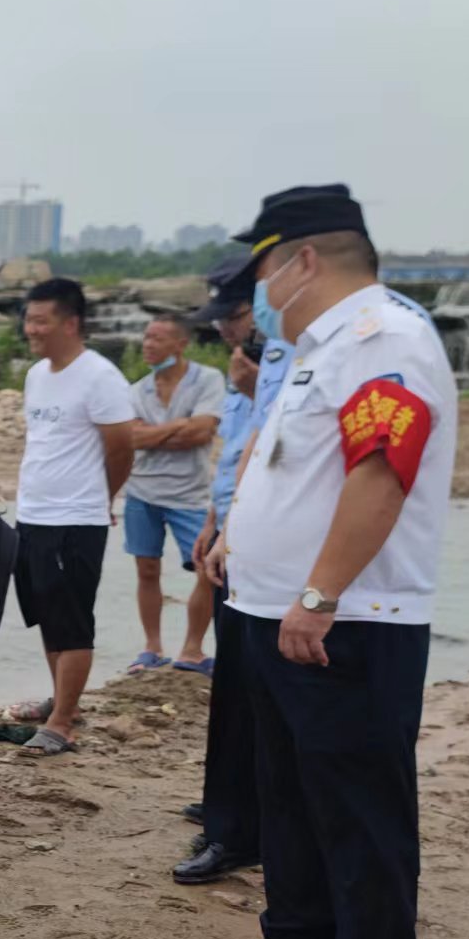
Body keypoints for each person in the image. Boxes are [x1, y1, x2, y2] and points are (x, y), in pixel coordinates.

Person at [181, 184, 458, 939]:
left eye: (263, 269)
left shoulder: (385, 339)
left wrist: (322, 591)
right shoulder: (318, 347)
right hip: (271, 611)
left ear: (302, 260)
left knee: (359, 812)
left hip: (348, 621)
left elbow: (383, 469)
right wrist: (237, 541)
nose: (258, 290)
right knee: (290, 798)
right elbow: (293, 467)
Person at [175, 253, 293, 884]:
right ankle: (230, 809)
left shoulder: (286, 361)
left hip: (270, 548)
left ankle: (243, 823)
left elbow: (278, 450)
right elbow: (236, 457)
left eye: (237, 313)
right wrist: (213, 522)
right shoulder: (255, 365)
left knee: (257, 692)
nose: (226, 327)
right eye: (220, 317)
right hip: (232, 535)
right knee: (235, 688)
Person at [6, 278, 136, 755]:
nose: (31, 329)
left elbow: (121, 448)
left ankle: (62, 723)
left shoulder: (100, 376)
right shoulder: (37, 374)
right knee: (46, 613)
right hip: (33, 514)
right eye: (29, 319)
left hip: (76, 518)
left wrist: (102, 499)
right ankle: (64, 701)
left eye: (41, 321)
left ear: (71, 323)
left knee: (73, 619)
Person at [122, 315, 223, 675]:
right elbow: (131, 438)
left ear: (180, 344)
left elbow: (201, 433)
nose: (148, 344)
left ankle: (192, 649)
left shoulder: (208, 379)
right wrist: (181, 424)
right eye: (146, 337)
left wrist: (154, 433)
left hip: (190, 494)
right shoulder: (136, 390)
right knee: (146, 569)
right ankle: (152, 647)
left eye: (157, 338)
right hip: (141, 490)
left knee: (207, 569)